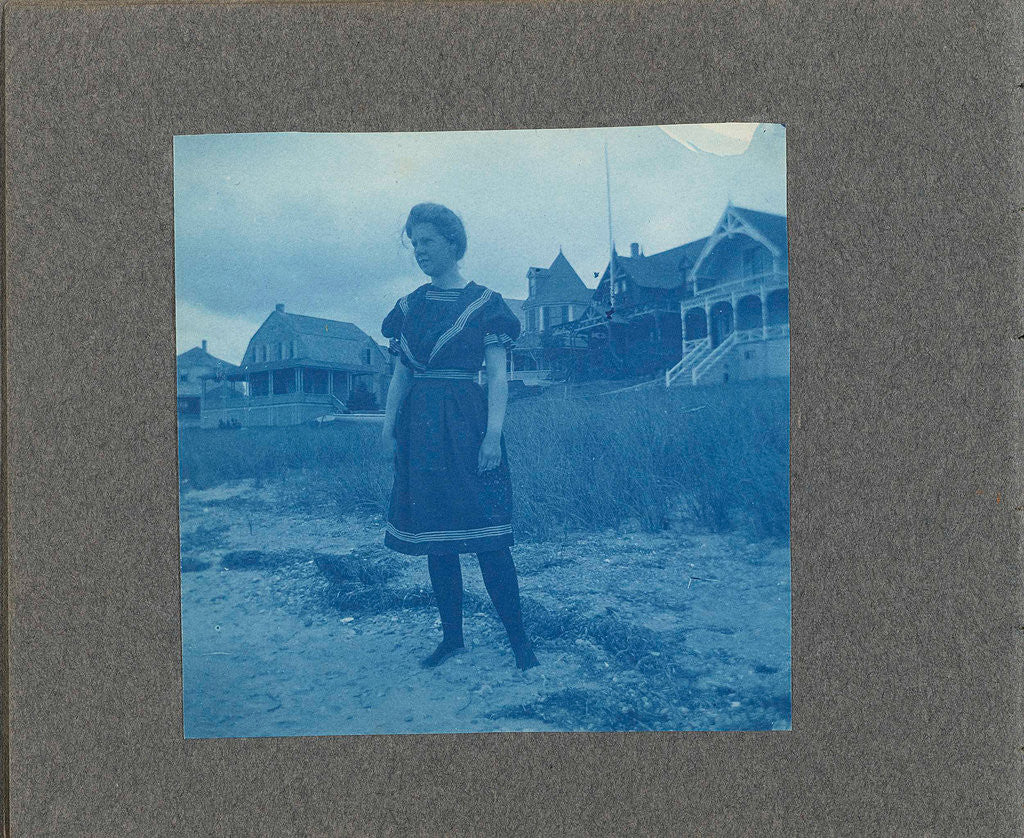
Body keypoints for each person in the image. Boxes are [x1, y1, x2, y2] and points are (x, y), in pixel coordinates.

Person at [380, 203, 539, 671]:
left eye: (427, 241)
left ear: (453, 243)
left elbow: (496, 375)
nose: (419, 251)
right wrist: (389, 431)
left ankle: (519, 642)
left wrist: (493, 436)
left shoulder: (486, 305)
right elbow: (399, 378)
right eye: (414, 244)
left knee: (490, 537)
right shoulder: (408, 309)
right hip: (420, 432)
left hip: (468, 426)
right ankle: (453, 639)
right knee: (437, 538)